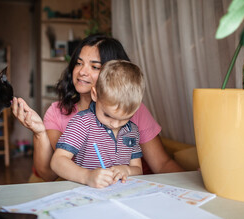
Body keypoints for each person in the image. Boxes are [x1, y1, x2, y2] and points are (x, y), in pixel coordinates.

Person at [12, 34, 183, 182]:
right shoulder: (60, 113)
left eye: (94, 67)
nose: (82, 72)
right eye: (79, 63)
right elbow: (49, 173)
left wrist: (192, 183)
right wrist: (39, 133)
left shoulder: (134, 110)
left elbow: (162, 164)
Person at [51, 60, 144, 188]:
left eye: (125, 118)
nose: (115, 124)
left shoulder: (132, 130)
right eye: (107, 115)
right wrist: (87, 176)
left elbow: (138, 169)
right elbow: (57, 161)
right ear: (95, 94)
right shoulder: (82, 123)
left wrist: (127, 170)